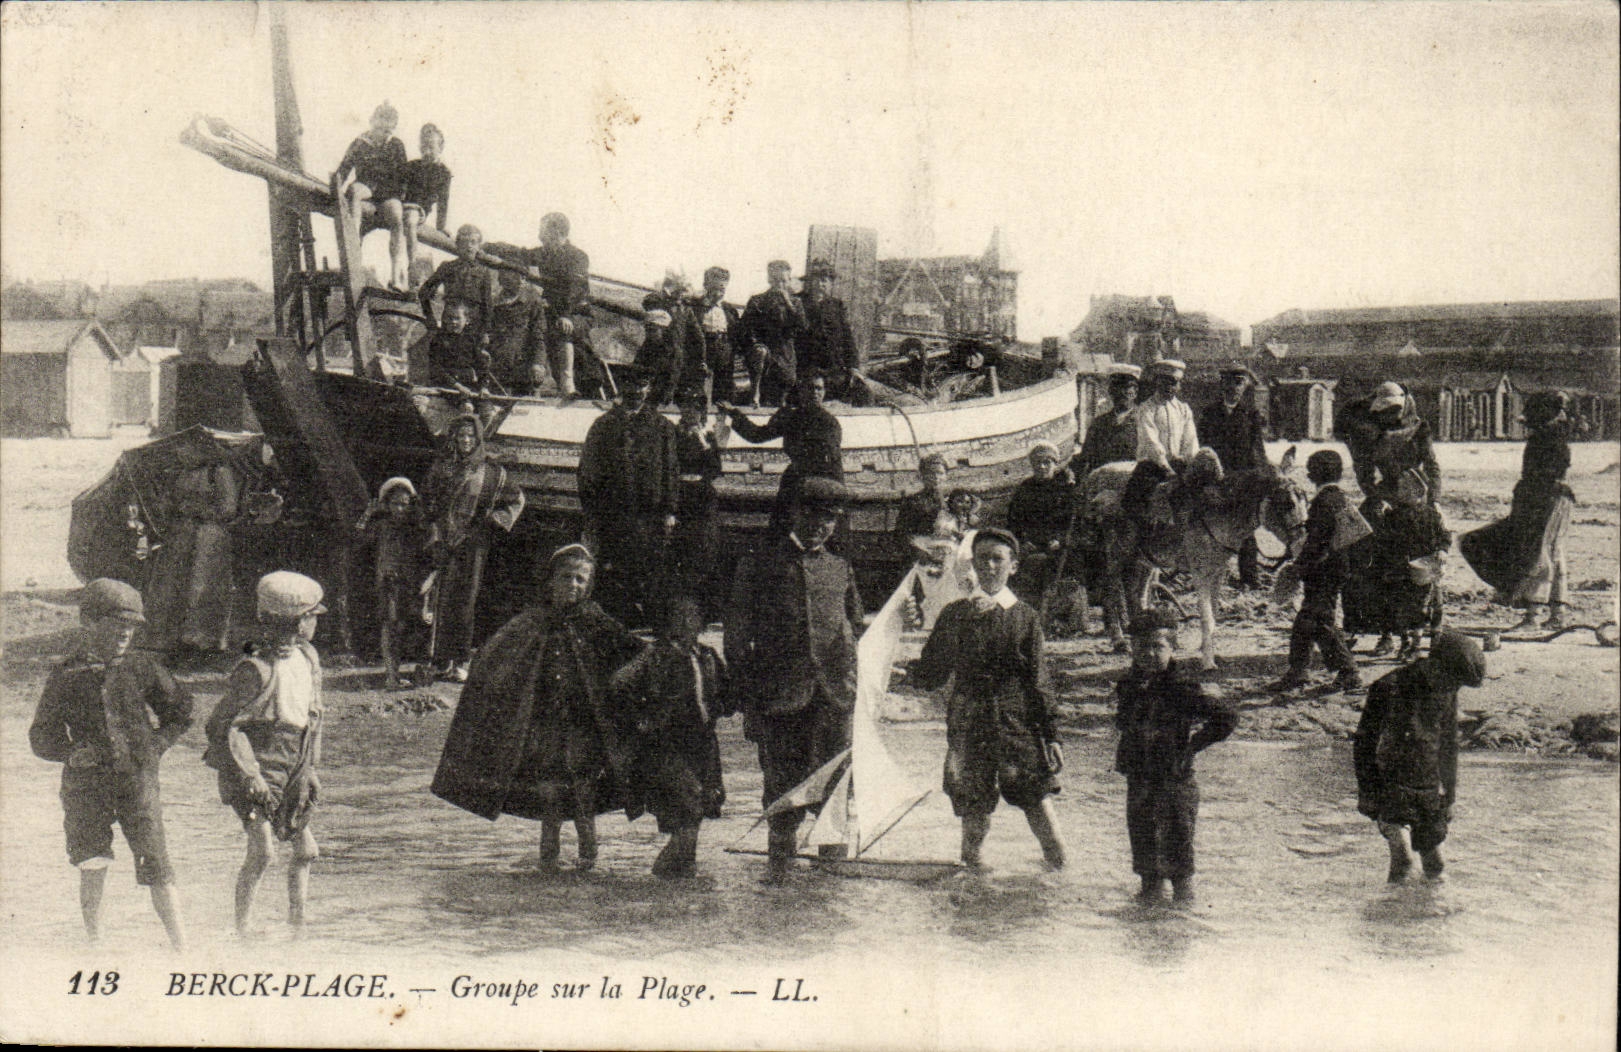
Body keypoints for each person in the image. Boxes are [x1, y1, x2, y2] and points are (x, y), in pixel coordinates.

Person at [431, 544, 645, 872]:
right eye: (566, 577)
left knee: (584, 789)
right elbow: (493, 655)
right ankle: (549, 857)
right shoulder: (532, 621)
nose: (574, 585)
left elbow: (633, 652)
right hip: (543, 724)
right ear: (549, 580)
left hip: (584, 725)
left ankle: (589, 857)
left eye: (581, 579)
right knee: (549, 793)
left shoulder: (595, 619)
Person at [30, 579, 190, 949]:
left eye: (132, 627)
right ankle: (95, 948)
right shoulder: (66, 675)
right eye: (116, 625)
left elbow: (181, 712)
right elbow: (41, 736)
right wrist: (70, 752)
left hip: (139, 784)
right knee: (92, 863)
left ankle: (183, 951)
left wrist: (155, 746)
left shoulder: (142, 667)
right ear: (88, 623)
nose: (125, 634)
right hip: (86, 788)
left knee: (158, 866)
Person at [727, 478, 863, 883]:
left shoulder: (840, 568)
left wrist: (850, 681)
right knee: (784, 802)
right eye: (814, 515)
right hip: (780, 702)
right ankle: (779, 891)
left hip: (835, 702)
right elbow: (736, 643)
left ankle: (830, 887)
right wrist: (750, 706)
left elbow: (854, 626)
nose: (821, 526)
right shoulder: (758, 562)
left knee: (836, 801)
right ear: (795, 513)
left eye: (830, 519)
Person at [908, 528, 1067, 870]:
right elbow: (932, 672)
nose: (990, 566)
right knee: (974, 813)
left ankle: (1060, 875)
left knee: (1037, 802)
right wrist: (904, 629)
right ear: (973, 565)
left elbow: (1038, 678)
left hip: (1016, 723)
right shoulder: (955, 614)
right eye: (983, 559)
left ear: (1013, 566)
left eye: (998, 559)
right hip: (969, 723)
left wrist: (1052, 734)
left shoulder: (1025, 616)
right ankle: (974, 881)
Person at [206, 571, 326, 935]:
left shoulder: (307, 657)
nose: (315, 623)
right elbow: (223, 727)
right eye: (312, 616)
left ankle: (297, 924)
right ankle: (242, 929)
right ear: (298, 621)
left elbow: (313, 715)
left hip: (295, 763)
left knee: (306, 851)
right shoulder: (255, 669)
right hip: (258, 765)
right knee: (264, 853)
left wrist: (310, 768)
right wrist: (251, 775)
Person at [1114, 605, 1238, 905]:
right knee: (1147, 868)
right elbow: (1125, 724)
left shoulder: (1181, 687)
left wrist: (1192, 747)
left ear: (1173, 648)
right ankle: (1150, 927)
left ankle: (1182, 923)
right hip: (1140, 783)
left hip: (1174, 784)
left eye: (1158, 647)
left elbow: (1227, 717)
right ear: (1132, 649)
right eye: (1142, 647)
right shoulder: (1129, 686)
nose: (1149, 654)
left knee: (1180, 868)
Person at [612, 595, 731, 878]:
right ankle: (662, 879)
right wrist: (642, 720)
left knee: (697, 814)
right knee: (688, 811)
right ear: (666, 624)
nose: (686, 622)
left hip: (703, 745)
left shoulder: (707, 656)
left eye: (692, 616)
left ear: (701, 622)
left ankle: (678, 890)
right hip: (667, 746)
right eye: (678, 616)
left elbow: (730, 692)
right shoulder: (654, 655)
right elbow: (618, 685)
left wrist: (724, 704)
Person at [1354, 629, 1487, 883]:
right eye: (1452, 681)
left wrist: (1450, 795)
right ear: (1434, 665)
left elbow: (1448, 745)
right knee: (1403, 861)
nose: (1452, 688)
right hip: (1391, 787)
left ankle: (1435, 917)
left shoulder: (1446, 691)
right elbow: (1364, 744)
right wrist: (1368, 792)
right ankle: (1391, 917)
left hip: (1427, 788)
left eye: (1457, 685)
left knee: (1436, 865)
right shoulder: (1388, 688)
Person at [1460, 391, 1576, 631]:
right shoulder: (1556, 436)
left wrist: (1529, 498)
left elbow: (1545, 475)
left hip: (1545, 499)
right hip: (1554, 499)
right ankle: (1558, 612)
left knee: (1537, 552)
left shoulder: (1546, 439)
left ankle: (1533, 615)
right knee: (1553, 551)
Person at [422, 414, 525, 681]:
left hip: (474, 543)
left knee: (466, 602)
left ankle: (462, 660)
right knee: (442, 599)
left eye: (471, 436)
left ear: (478, 439)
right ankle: (440, 661)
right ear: (453, 439)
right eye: (461, 436)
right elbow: (427, 504)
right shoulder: (441, 468)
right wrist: (435, 535)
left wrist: (495, 521)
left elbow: (517, 499)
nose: (466, 441)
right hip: (445, 542)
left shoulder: (491, 472)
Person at [577, 368, 680, 626]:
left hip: (649, 516)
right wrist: (592, 511)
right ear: (622, 390)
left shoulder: (662, 427)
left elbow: (671, 470)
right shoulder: (604, 425)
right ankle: (616, 624)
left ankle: (651, 626)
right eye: (630, 387)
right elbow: (588, 470)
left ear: (649, 389)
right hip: (613, 514)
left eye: (642, 386)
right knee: (614, 570)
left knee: (649, 569)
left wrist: (670, 510)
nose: (636, 392)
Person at [1271, 450, 1363, 695]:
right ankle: (1298, 672)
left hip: (1323, 571)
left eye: (1310, 470)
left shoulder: (1323, 502)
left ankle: (1348, 673)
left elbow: (1317, 543)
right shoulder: (1339, 497)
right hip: (1335, 568)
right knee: (1308, 622)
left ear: (1314, 475)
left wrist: (1299, 567)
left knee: (1319, 623)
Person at [142, 458, 241, 662]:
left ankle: (205, 644)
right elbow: (169, 503)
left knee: (203, 588)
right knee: (173, 588)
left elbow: (229, 508)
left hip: (208, 538)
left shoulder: (219, 471)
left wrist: (197, 511)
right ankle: (175, 642)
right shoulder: (180, 471)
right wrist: (165, 505)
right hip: (180, 538)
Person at [722, 371, 843, 536]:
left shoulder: (830, 423)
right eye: (810, 388)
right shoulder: (789, 417)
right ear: (801, 390)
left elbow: (834, 461)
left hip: (820, 485)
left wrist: (836, 495)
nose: (815, 393)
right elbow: (757, 435)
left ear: (824, 392)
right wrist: (734, 413)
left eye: (819, 388)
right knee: (782, 534)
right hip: (795, 482)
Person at [488, 213, 591, 398]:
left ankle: (567, 383)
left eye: (542, 230)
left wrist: (566, 314)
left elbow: (574, 289)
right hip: (552, 311)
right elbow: (520, 253)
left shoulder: (578, 257)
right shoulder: (545, 253)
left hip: (577, 312)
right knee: (533, 328)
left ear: (556, 232)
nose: (539, 235)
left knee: (562, 331)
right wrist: (487, 247)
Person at [1197, 366, 1269, 588]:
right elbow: (1202, 448)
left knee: (1246, 529)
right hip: (1215, 479)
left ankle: (1250, 577)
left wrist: (1259, 476)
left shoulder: (1252, 416)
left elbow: (1258, 451)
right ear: (1222, 385)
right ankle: (1206, 575)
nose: (1233, 388)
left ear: (1245, 386)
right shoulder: (1209, 414)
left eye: (1239, 383)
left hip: (1242, 481)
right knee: (1206, 526)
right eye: (1229, 382)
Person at [355, 477, 428, 689]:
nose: (400, 509)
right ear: (386, 504)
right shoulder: (380, 526)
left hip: (410, 584)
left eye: (405, 504)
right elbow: (359, 539)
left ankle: (398, 673)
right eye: (395, 503)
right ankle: (391, 676)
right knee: (390, 627)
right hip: (389, 582)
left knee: (406, 627)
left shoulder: (415, 528)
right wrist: (368, 513)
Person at [337, 101, 409, 290]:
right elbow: (345, 167)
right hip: (367, 186)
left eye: (387, 131)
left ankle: (396, 276)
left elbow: (403, 175)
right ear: (372, 122)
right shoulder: (360, 143)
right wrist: (336, 185)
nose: (382, 135)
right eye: (379, 129)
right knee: (354, 192)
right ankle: (353, 252)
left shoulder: (396, 145)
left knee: (396, 215)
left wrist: (400, 197)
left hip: (387, 192)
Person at [1120, 359, 1199, 529]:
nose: (1170, 387)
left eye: (1174, 382)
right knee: (1137, 501)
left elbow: (1190, 441)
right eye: (1165, 382)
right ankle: (1140, 540)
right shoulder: (1147, 408)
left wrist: (1190, 462)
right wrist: (1166, 468)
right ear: (1157, 382)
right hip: (1152, 465)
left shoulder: (1184, 409)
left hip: (1178, 463)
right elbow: (1151, 442)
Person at [670, 393, 726, 619]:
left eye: (695, 408)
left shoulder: (708, 436)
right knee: (678, 552)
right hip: (679, 495)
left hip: (701, 497)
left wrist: (704, 443)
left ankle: (703, 611)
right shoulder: (672, 434)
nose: (690, 412)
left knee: (704, 550)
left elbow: (714, 470)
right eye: (686, 407)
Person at [1005, 441, 1075, 614]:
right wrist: (1022, 541)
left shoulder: (1064, 489)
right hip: (1031, 542)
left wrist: (1059, 539)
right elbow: (1014, 521)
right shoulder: (1025, 489)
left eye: (1047, 462)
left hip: (1057, 543)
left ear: (1054, 464)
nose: (1042, 467)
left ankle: (1053, 614)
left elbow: (1071, 520)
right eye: (1037, 463)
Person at [740, 260, 807, 407]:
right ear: (769, 279)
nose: (780, 285)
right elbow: (745, 328)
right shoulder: (757, 300)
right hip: (763, 354)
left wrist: (787, 302)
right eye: (776, 281)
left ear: (789, 280)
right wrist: (755, 344)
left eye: (783, 281)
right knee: (760, 355)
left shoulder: (795, 303)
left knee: (782, 396)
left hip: (785, 355)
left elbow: (802, 327)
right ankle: (755, 394)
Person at [637, 270, 706, 407]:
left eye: (683, 291)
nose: (680, 295)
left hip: (675, 356)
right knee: (645, 387)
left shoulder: (686, 310)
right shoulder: (658, 301)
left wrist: (702, 360)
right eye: (678, 290)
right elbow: (648, 302)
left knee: (667, 392)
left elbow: (698, 338)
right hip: (654, 353)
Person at [798, 259, 862, 402]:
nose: (820, 285)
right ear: (809, 282)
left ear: (830, 283)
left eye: (824, 280)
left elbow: (847, 338)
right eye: (816, 280)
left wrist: (853, 366)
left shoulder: (836, 306)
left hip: (833, 367)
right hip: (806, 367)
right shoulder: (798, 302)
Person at [419, 223, 496, 338]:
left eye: (473, 242)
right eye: (464, 242)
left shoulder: (483, 272)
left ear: (478, 246)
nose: (469, 246)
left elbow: (487, 305)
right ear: (458, 245)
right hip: (449, 321)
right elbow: (424, 292)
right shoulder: (447, 267)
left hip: (473, 326)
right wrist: (429, 317)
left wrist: (485, 332)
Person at [401, 123, 452, 289]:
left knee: (411, 220)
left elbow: (443, 202)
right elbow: (399, 187)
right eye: (424, 147)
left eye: (431, 147)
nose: (427, 151)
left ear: (440, 147)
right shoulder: (412, 166)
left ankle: (413, 265)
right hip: (403, 204)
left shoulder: (443, 172)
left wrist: (441, 226)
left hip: (418, 209)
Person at [1069, 364, 1141, 480]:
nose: (1121, 392)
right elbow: (1085, 457)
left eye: (1126, 387)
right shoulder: (1099, 423)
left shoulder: (1144, 421)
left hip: (1132, 482)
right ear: (1110, 392)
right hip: (1102, 482)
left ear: (1135, 391)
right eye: (1116, 388)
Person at [485, 266, 548, 395]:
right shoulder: (492, 304)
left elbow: (539, 337)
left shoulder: (533, 303)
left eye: (520, 277)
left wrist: (539, 364)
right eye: (507, 276)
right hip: (496, 369)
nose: (519, 281)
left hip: (522, 370)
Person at [692, 266, 743, 405]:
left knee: (723, 389)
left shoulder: (729, 310)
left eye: (722, 289)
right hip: (702, 349)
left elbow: (736, 332)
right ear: (705, 285)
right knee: (699, 387)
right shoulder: (694, 306)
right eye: (715, 289)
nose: (718, 293)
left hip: (724, 350)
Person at [892, 452, 951, 561]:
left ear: (946, 475)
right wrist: (919, 551)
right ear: (922, 476)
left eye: (940, 473)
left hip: (949, 553)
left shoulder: (954, 501)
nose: (936, 477)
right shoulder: (912, 502)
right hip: (922, 555)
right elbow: (901, 535)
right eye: (930, 473)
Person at [422, 299, 486, 389]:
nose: (453, 322)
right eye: (450, 318)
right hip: (447, 386)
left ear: (467, 320)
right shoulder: (439, 340)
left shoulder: (471, 340)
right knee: (465, 403)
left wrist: (484, 387)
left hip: (468, 385)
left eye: (457, 318)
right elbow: (436, 368)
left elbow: (481, 366)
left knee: (485, 403)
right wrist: (457, 386)